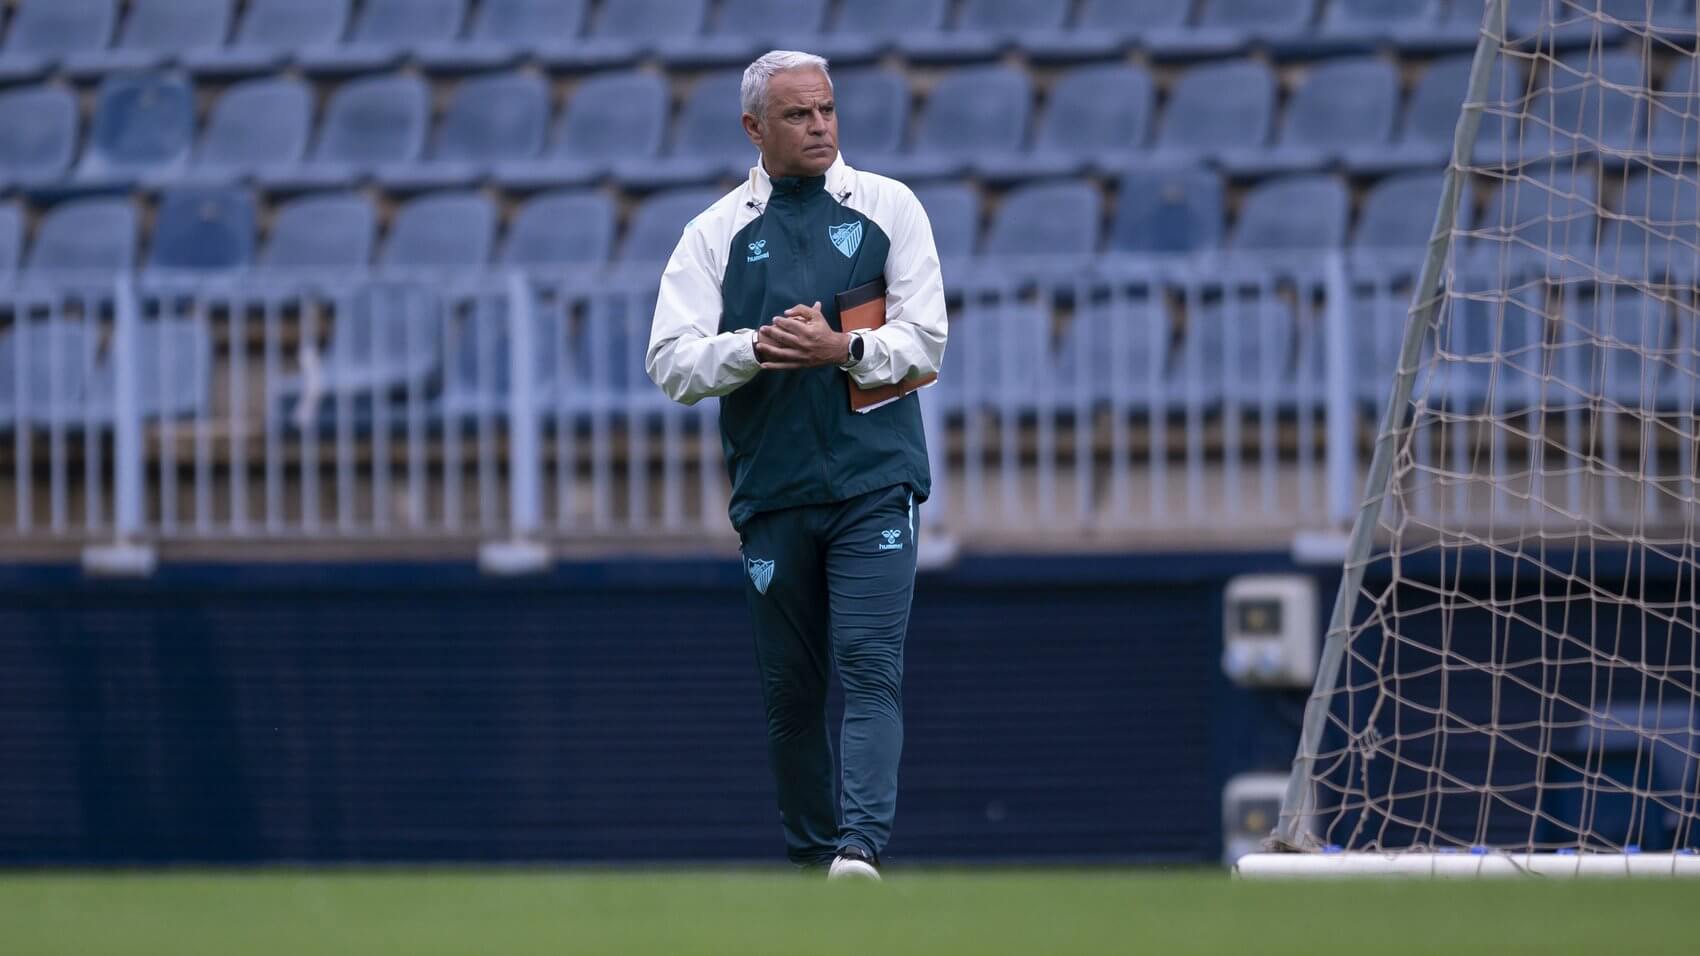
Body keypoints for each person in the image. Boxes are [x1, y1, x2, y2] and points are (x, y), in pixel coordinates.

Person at [646, 50, 947, 881]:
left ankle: (858, 852)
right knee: (790, 699)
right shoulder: (712, 233)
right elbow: (670, 363)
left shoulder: (892, 207)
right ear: (754, 128)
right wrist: (760, 348)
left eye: (826, 110)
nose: (819, 126)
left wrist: (843, 346)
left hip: (875, 483)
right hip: (772, 492)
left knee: (870, 667)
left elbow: (926, 342)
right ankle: (814, 865)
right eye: (797, 115)